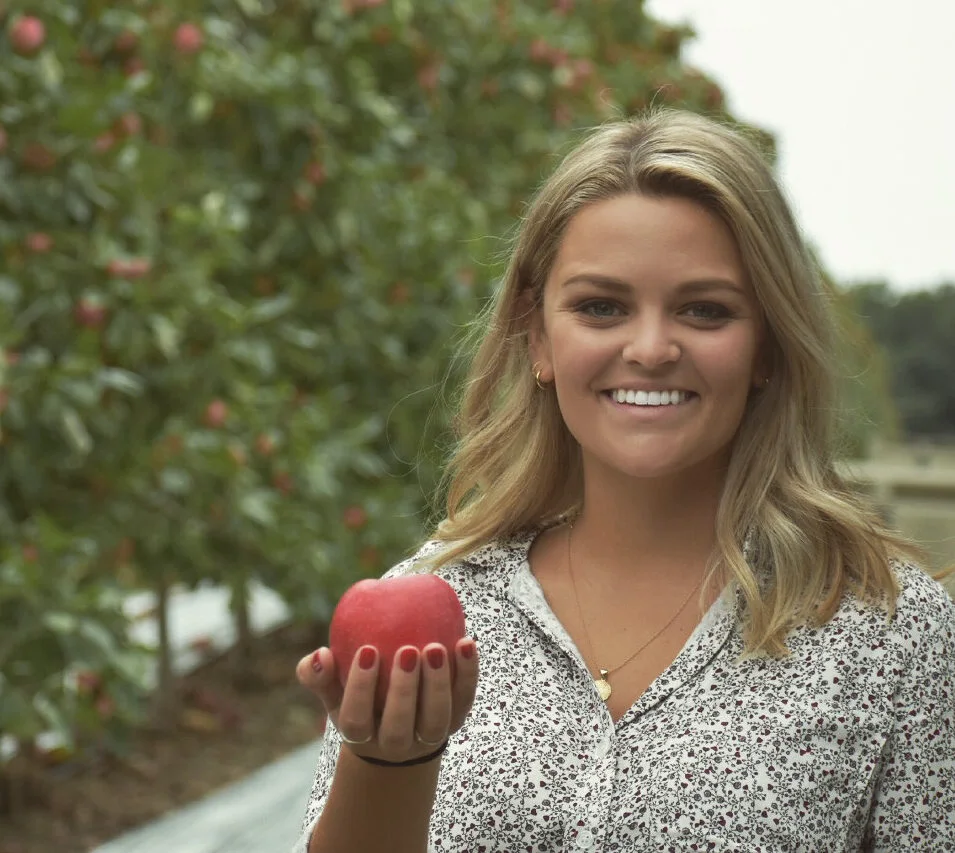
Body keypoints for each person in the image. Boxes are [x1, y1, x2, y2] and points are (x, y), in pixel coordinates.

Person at [291, 108, 955, 852]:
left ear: (765, 345)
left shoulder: (885, 634)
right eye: (601, 307)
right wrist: (389, 759)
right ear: (536, 335)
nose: (649, 347)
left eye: (704, 310)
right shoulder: (440, 609)